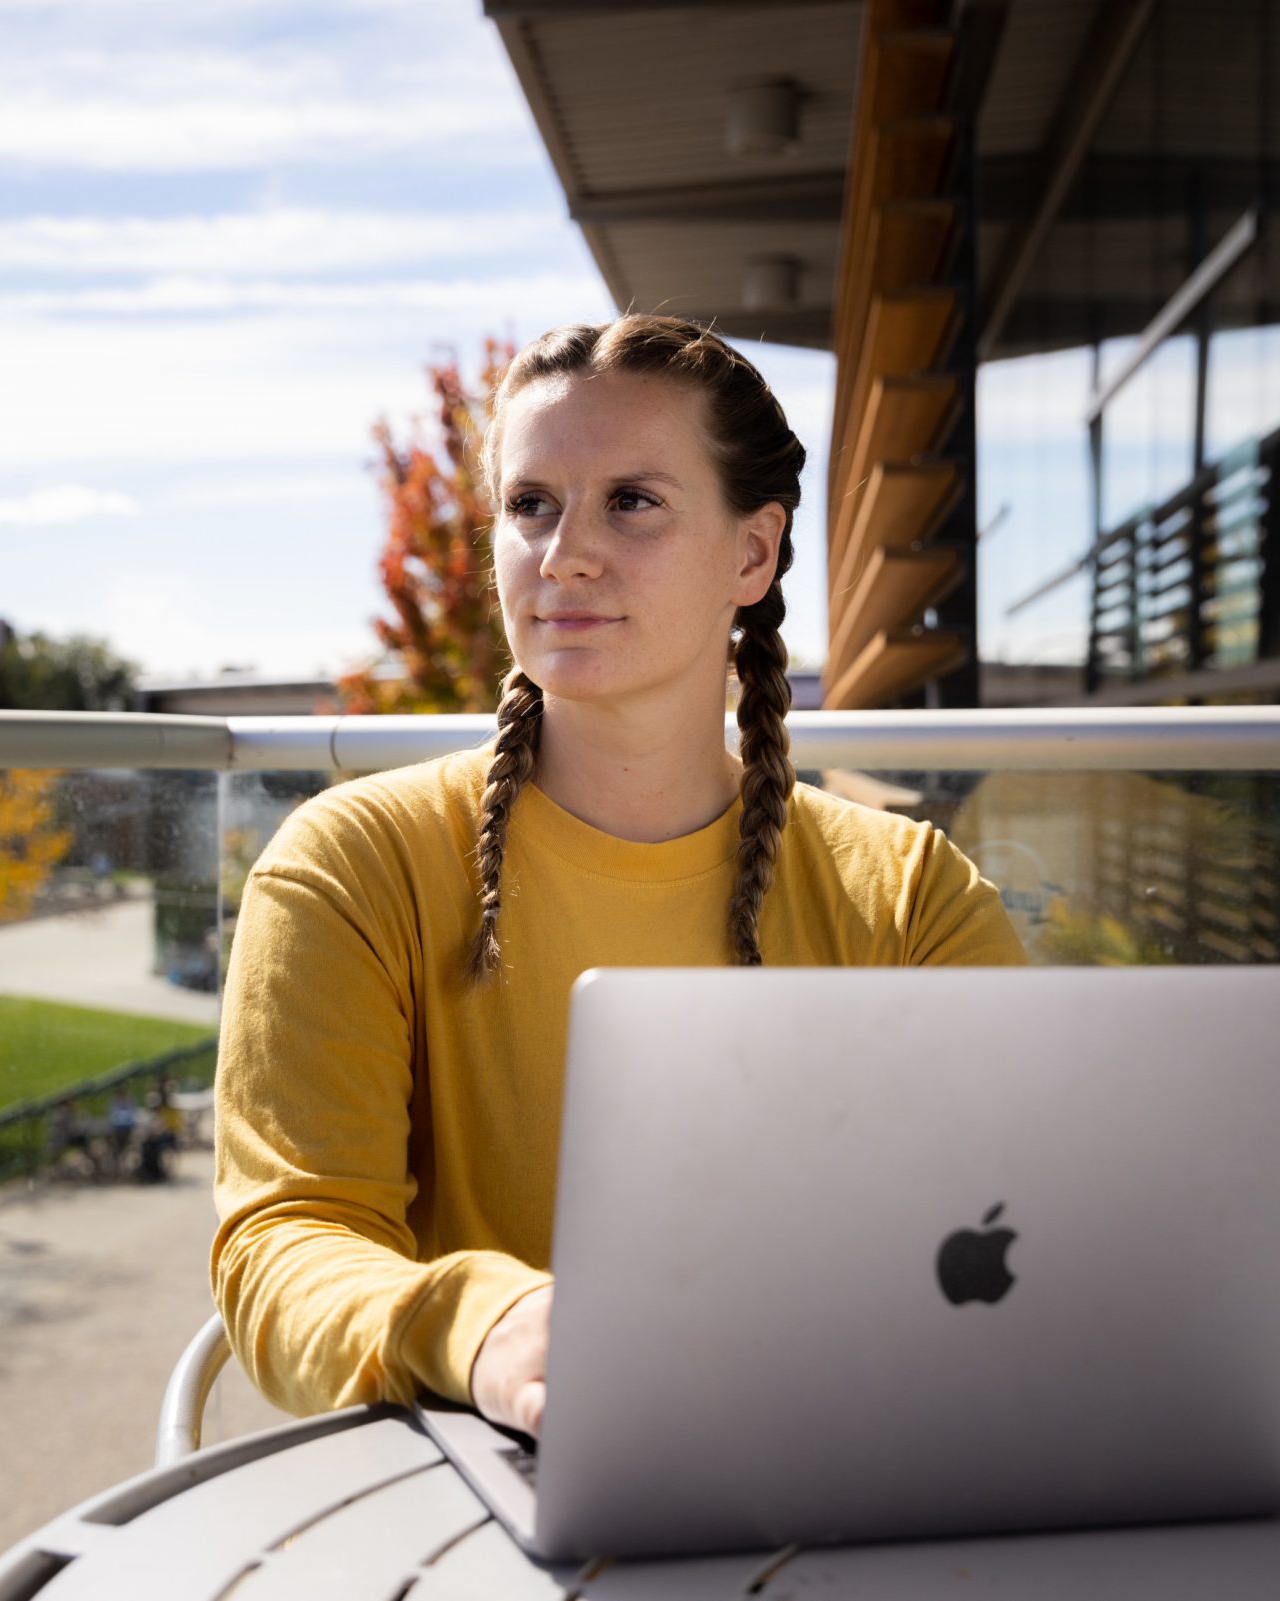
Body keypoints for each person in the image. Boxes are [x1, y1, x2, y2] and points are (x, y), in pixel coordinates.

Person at [213, 315, 1026, 1439]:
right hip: (500, 1487)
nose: (564, 555)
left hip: (867, 1459)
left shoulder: (909, 892)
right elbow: (283, 1245)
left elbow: (1031, 1222)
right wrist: (490, 1330)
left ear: (752, 553)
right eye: (530, 504)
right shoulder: (348, 864)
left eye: (632, 501)